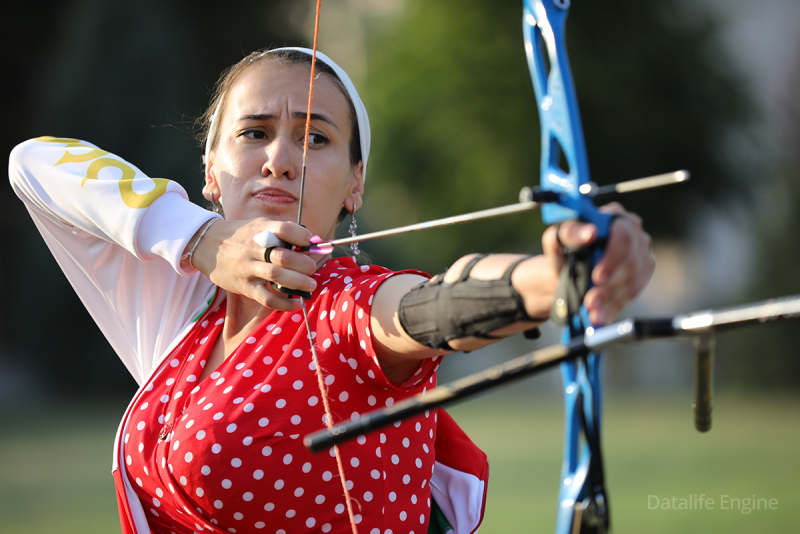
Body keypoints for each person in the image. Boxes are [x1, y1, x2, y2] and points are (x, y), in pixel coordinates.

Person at [8, 47, 654, 534]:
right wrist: (202, 241)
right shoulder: (179, 302)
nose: (280, 159)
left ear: (355, 185)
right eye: (254, 132)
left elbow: (426, 309)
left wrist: (556, 277)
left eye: (315, 138)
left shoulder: (349, 302)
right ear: (211, 171)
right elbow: (33, 161)